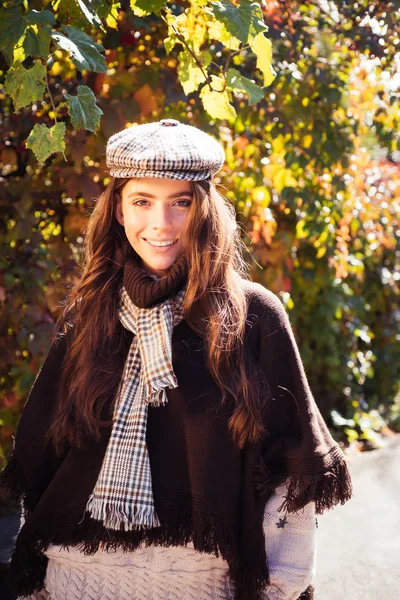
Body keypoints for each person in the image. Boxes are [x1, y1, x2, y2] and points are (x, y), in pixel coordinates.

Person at [0, 119, 353, 600]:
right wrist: (31, 586)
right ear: (119, 212)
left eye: (181, 203)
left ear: (205, 210)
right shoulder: (90, 317)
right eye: (142, 201)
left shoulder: (251, 317)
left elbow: (289, 471)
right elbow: (44, 457)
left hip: (199, 586)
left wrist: (281, 588)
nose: (161, 224)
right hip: (75, 582)